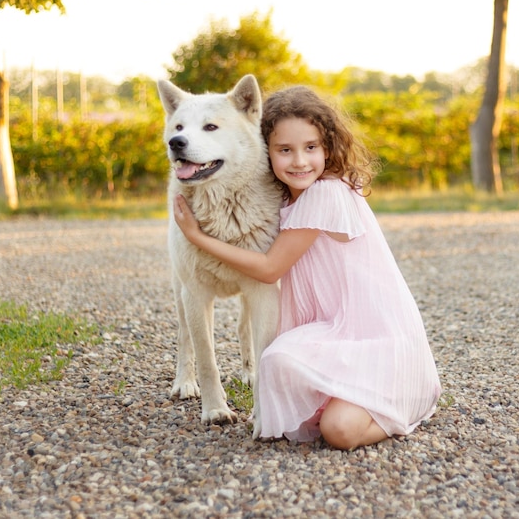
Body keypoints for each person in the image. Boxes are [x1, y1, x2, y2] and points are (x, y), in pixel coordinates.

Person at [173, 85, 441, 450]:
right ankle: (352, 396)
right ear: (266, 151)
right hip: (335, 333)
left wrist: (196, 236)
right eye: (285, 150)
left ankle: (404, 407)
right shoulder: (288, 194)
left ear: (328, 146)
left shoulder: (326, 193)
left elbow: (268, 270)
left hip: (375, 340)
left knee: (339, 432)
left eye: (310, 147)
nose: (299, 161)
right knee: (280, 360)